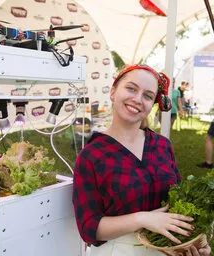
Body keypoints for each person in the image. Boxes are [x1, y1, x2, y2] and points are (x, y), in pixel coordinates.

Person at [72, 64, 211, 256]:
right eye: (131, 88)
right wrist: (142, 219)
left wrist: (191, 242)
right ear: (113, 92)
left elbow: (178, 199)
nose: (137, 99)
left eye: (147, 95)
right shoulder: (92, 155)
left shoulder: (162, 145)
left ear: (153, 103)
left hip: (164, 250)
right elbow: (88, 227)